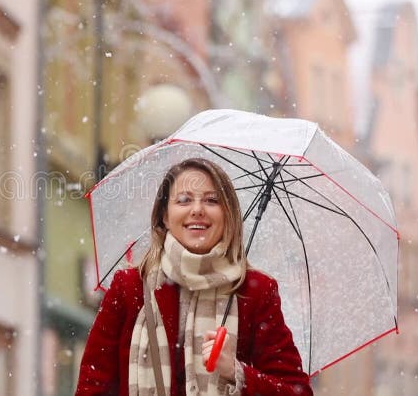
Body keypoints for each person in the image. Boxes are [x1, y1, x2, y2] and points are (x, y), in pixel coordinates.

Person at [76, 158, 312, 396]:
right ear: (165, 216)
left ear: (227, 214)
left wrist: (235, 371)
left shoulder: (254, 292)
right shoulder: (130, 288)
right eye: (184, 200)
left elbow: (296, 392)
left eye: (211, 200)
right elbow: (92, 387)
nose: (197, 209)